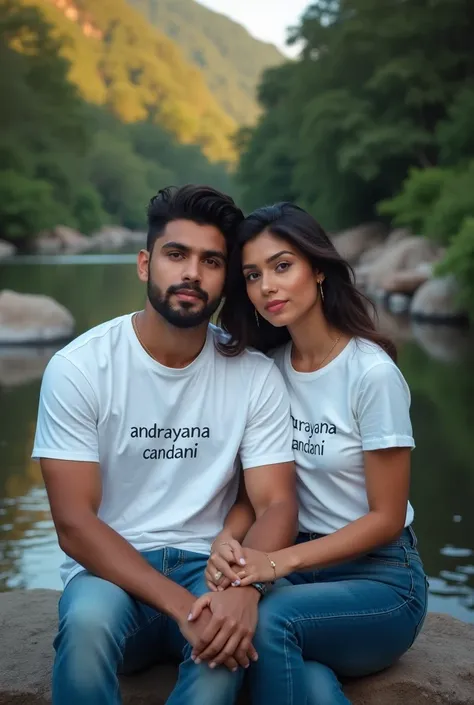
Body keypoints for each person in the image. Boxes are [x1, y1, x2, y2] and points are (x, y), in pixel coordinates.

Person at [32, 185, 298, 705]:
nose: (192, 273)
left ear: (227, 278)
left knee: (227, 646)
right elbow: (74, 525)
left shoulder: (255, 376)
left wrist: (245, 587)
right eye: (176, 255)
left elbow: (277, 501)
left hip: (213, 568)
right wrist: (181, 607)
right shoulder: (80, 368)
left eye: (211, 261)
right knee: (86, 626)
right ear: (144, 263)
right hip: (110, 575)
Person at [197, 202, 428, 705]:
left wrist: (274, 564)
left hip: (382, 579)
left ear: (318, 269)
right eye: (253, 275)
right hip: (303, 573)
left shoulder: (371, 375)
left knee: (268, 621)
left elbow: (387, 518)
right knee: (306, 678)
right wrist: (227, 544)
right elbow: (255, 498)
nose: (267, 287)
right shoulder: (266, 371)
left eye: (283, 266)